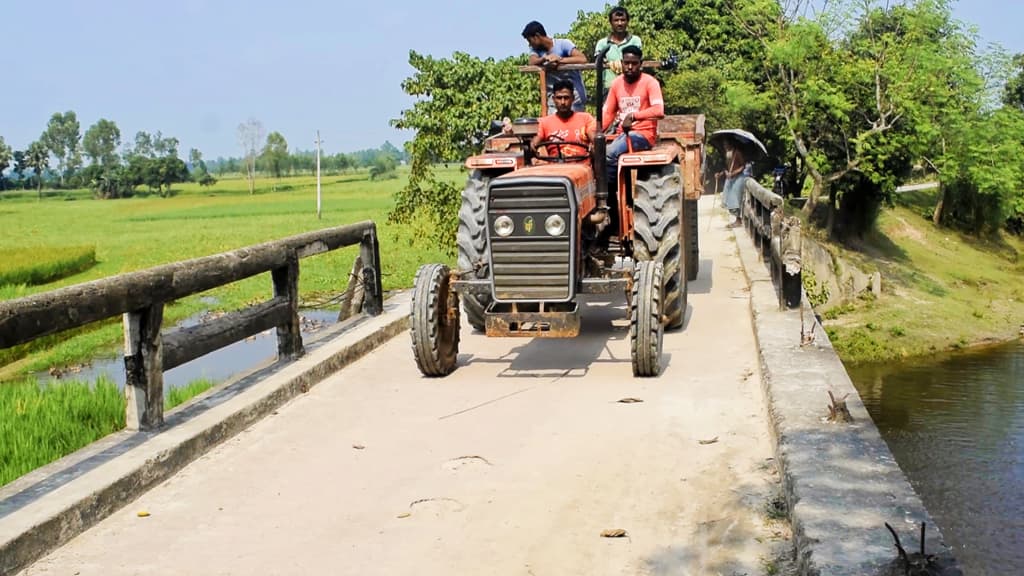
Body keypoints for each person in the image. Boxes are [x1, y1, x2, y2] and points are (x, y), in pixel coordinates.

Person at [601, 45, 665, 188]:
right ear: (622, 63)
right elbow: (608, 113)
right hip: (621, 136)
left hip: (643, 135)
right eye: (626, 63)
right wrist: (594, 132)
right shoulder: (617, 83)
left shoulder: (650, 82)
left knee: (609, 153)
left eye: (634, 63)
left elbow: (658, 110)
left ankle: (610, 197)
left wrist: (634, 116)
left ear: (640, 64)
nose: (630, 67)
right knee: (595, 153)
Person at [522, 21, 588, 113]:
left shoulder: (563, 44)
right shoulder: (536, 50)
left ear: (537, 36)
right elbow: (532, 61)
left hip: (574, 96)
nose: (529, 44)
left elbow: (582, 59)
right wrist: (544, 59)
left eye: (530, 41)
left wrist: (559, 60)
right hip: (553, 99)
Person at [530, 79, 597, 163]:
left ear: (573, 98)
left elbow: (595, 138)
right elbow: (535, 140)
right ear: (554, 99)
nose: (562, 102)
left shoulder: (586, 118)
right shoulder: (544, 123)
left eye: (566, 98)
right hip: (556, 170)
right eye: (559, 98)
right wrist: (533, 144)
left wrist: (595, 144)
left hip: (582, 168)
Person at [594, 6, 642, 90]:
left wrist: (619, 63)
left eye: (623, 20)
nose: (619, 23)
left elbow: (637, 60)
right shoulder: (602, 43)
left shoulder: (635, 41)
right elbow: (598, 60)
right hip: (608, 88)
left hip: (632, 86)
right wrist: (608, 63)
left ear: (627, 22)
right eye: (616, 20)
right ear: (610, 22)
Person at [717, 139, 749, 228]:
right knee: (727, 198)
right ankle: (736, 219)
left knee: (736, 199)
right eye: (724, 144)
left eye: (726, 144)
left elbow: (743, 166)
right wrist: (722, 173)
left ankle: (739, 220)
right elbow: (725, 166)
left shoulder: (737, 152)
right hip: (730, 178)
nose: (725, 146)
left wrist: (734, 173)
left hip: (738, 178)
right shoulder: (727, 153)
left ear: (731, 144)